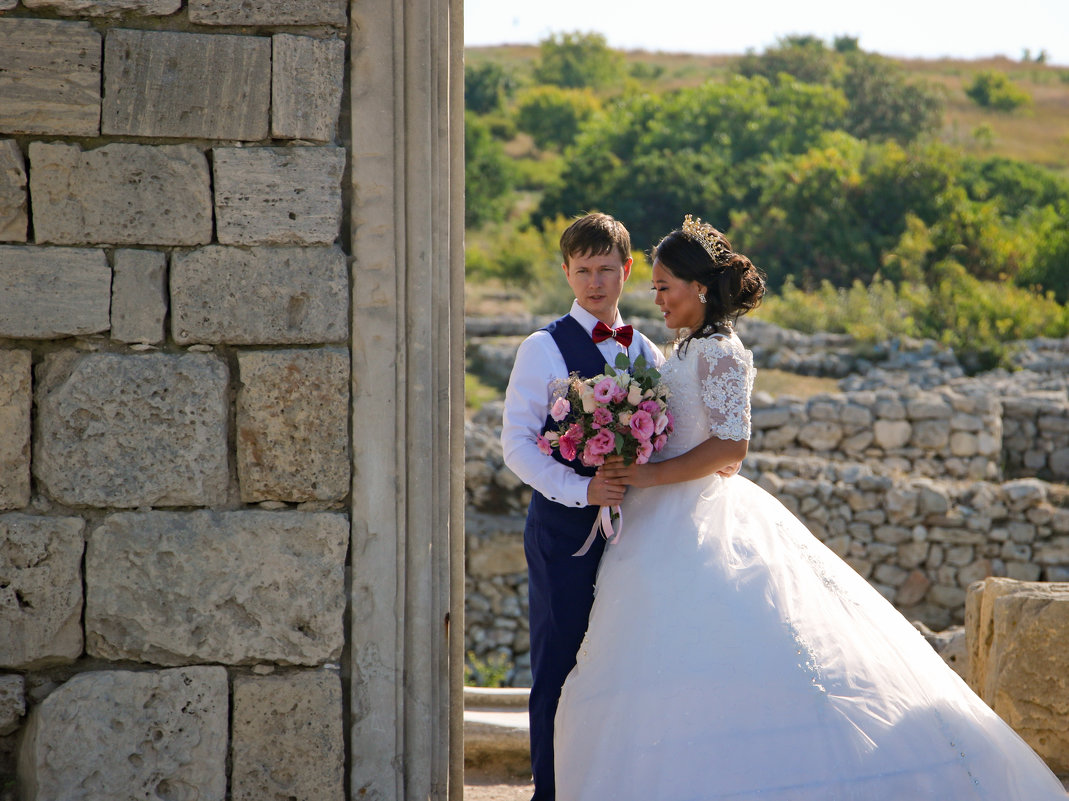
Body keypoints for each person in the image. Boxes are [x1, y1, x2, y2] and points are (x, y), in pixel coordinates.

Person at [552, 215, 1069, 800]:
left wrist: (647, 472)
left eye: (664, 286)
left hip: (692, 516)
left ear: (699, 287)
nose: (658, 298)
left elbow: (731, 448)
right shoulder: (686, 346)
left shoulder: (721, 351)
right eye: (654, 288)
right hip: (656, 519)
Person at [501, 212, 668, 801]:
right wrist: (582, 490)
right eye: (581, 271)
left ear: (627, 270)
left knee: (623, 662)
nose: (594, 283)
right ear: (566, 272)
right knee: (559, 666)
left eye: (605, 269)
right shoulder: (541, 348)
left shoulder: (646, 350)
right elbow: (516, 446)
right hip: (561, 532)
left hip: (634, 534)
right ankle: (550, 792)